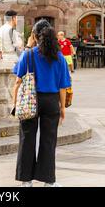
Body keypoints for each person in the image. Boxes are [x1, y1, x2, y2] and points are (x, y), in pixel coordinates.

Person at [12, 19, 71, 187]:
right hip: (51, 100)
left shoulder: (28, 54)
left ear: (34, 36)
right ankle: (48, 180)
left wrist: (15, 103)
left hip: (31, 99)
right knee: (49, 140)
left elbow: (18, 81)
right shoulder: (59, 57)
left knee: (27, 138)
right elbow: (62, 87)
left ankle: (26, 180)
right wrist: (62, 107)